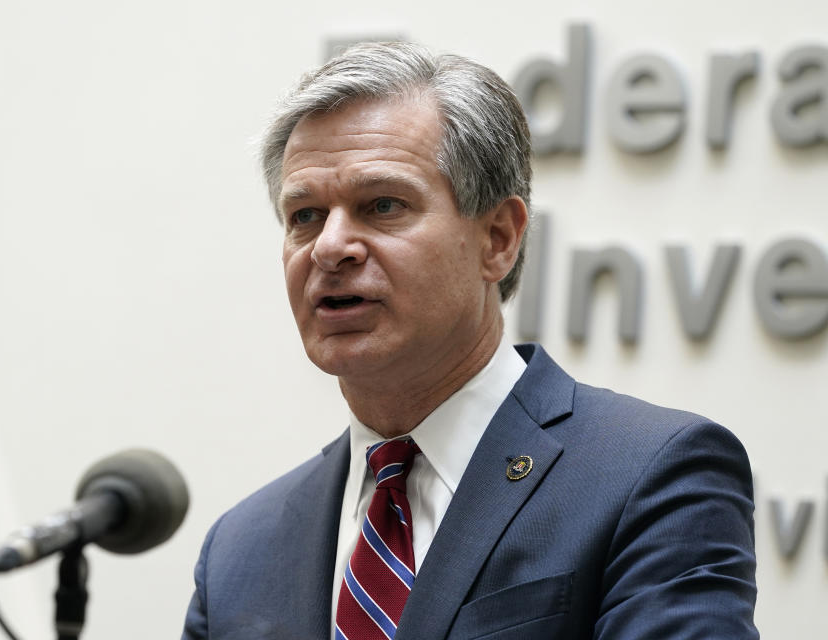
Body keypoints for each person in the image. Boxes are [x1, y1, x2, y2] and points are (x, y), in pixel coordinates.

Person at [182, 42, 757, 640]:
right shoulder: (238, 551)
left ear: (498, 240)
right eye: (304, 215)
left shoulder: (651, 475)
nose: (329, 247)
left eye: (382, 205)